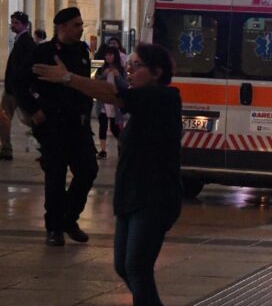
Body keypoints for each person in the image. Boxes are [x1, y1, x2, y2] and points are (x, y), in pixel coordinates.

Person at [33, 42, 182, 305]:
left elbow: (112, 93)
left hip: (154, 199)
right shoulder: (143, 104)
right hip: (131, 198)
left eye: (136, 67)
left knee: (137, 266)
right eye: (130, 66)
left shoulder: (164, 98)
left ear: (157, 72)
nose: (130, 73)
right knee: (124, 266)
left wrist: (68, 78)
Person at [14, 7, 98, 246]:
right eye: (76, 25)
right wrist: (34, 110)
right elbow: (19, 82)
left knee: (88, 170)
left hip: (78, 125)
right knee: (55, 177)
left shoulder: (82, 51)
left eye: (81, 24)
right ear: (61, 27)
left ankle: (68, 218)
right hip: (54, 125)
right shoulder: (43, 52)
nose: (81, 29)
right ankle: (54, 229)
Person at [1, 11, 37, 160]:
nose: (13, 26)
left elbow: (25, 66)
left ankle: (49, 144)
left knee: (31, 119)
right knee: (4, 117)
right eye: (12, 22)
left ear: (24, 25)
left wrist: (19, 83)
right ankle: (6, 149)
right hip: (13, 89)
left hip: (17, 89)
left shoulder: (26, 42)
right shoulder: (20, 40)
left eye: (16, 23)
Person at [94, 46, 127, 159]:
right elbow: (96, 82)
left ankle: (122, 146)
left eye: (111, 54)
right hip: (103, 102)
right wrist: (104, 75)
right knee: (102, 125)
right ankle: (103, 151)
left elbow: (125, 85)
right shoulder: (102, 68)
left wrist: (117, 76)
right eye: (106, 55)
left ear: (115, 56)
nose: (108, 57)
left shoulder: (121, 70)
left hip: (115, 103)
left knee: (114, 128)